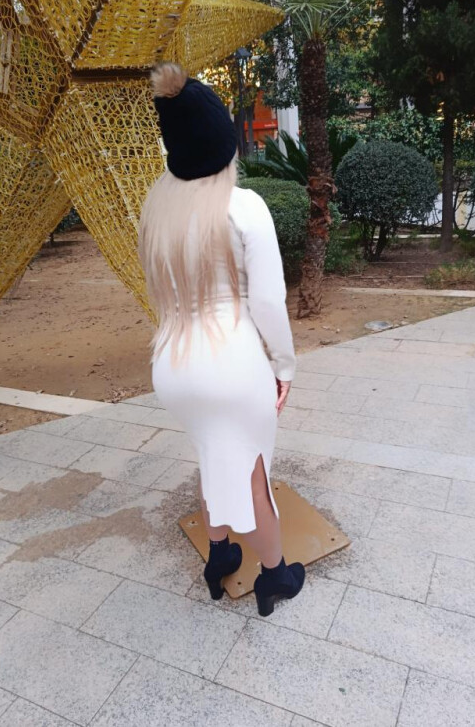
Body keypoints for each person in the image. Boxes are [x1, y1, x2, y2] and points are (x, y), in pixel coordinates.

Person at [137, 62, 304, 617]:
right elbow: (268, 303)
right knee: (252, 472)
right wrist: (284, 367)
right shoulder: (244, 206)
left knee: (213, 457)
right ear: (225, 145)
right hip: (231, 366)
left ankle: (220, 555)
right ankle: (275, 576)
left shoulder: (157, 212)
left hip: (173, 365)